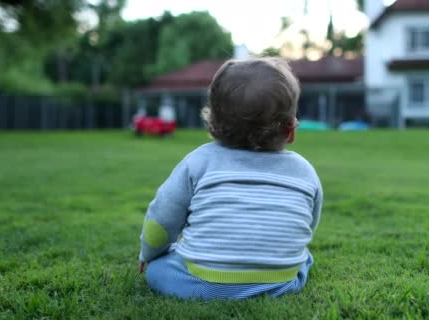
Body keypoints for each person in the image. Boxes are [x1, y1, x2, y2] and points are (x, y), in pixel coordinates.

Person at [137, 58, 323, 300]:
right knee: (305, 257)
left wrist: (149, 254)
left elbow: (161, 221)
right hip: (281, 283)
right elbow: (307, 224)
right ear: (290, 130)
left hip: (204, 282)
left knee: (159, 269)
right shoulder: (304, 170)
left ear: (212, 122)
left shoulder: (199, 161)